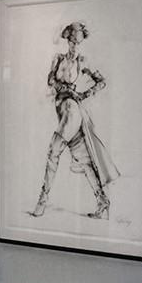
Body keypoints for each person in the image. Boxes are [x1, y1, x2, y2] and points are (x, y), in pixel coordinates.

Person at [29, 21, 118, 220]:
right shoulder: (58, 59)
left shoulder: (84, 61)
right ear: (67, 41)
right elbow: (50, 80)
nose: (75, 46)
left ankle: (42, 200)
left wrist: (84, 94)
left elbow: (101, 81)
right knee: (85, 159)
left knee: (54, 152)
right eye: (72, 42)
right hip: (62, 109)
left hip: (72, 110)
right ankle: (102, 201)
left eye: (78, 43)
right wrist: (62, 87)